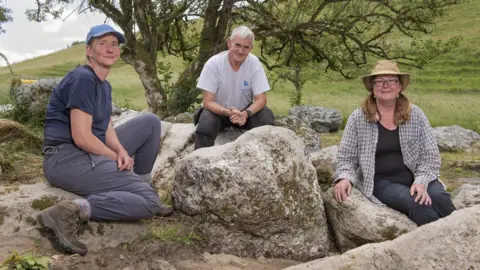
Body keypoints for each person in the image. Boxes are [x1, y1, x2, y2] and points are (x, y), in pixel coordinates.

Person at [37, 24, 173, 256]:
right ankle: (70, 211)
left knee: (150, 122)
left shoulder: (105, 85)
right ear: (90, 51)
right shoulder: (83, 79)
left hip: (88, 151)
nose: (110, 49)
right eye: (102, 44)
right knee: (148, 203)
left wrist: (120, 149)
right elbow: (81, 137)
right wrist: (116, 156)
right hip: (65, 157)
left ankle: (138, 186)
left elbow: (106, 129)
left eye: (114, 44)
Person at [333, 60, 455, 226]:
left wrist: (421, 181)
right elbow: (346, 156)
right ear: (373, 89)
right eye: (379, 81)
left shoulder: (416, 114)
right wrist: (344, 178)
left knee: (441, 199)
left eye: (391, 81)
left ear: (399, 87)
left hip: (416, 174)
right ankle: (438, 247)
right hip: (382, 181)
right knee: (419, 204)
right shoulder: (358, 118)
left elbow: (430, 155)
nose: (385, 85)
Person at [194, 25, 275, 150]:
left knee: (266, 117)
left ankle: (266, 159)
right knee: (205, 126)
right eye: (237, 45)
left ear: (251, 48)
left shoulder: (254, 64)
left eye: (246, 47)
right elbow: (208, 101)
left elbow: (261, 99)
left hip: (244, 113)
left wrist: (245, 113)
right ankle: (198, 161)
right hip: (218, 111)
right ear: (229, 43)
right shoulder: (213, 64)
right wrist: (227, 112)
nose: (241, 51)